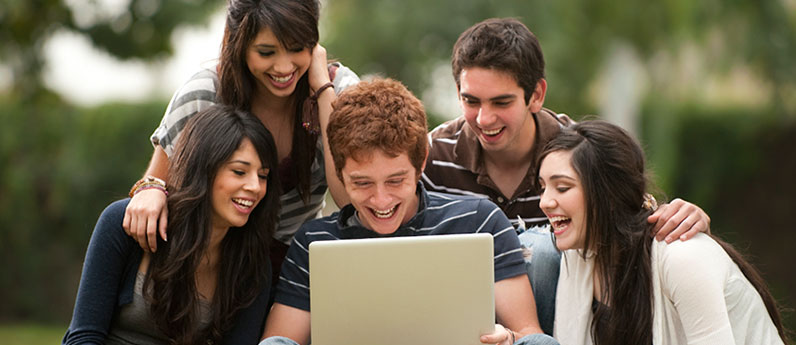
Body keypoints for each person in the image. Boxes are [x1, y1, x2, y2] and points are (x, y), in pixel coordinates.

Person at [421, 17, 711, 334]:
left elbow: (633, 219)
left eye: (501, 102)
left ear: (536, 95)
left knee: (543, 252)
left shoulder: (580, 153)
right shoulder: (432, 156)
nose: (484, 118)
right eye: (470, 101)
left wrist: (684, 217)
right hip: (466, 321)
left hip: (563, 324)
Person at [260, 78, 559, 345]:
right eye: (362, 183)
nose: (380, 200)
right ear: (338, 171)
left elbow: (528, 332)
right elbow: (280, 339)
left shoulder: (479, 221)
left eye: (396, 180)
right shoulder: (315, 242)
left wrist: (507, 338)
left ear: (422, 162)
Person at [122, 0, 359, 285]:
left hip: (297, 269)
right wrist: (150, 190)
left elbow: (351, 201)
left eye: (298, 48)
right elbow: (155, 182)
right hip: (213, 266)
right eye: (266, 52)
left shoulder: (339, 91)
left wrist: (322, 88)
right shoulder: (206, 92)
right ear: (240, 45)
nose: (284, 67)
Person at [538, 120, 788, 345]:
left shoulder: (683, 258)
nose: (544, 202)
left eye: (562, 187)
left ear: (609, 193)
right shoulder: (579, 257)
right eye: (542, 187)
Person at [63, 104, 280, 344]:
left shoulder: (253, 266)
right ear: (203, 170)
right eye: (239, 172)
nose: (255, 187)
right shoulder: (124, 222)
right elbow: (83, 336)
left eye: (263, 176)